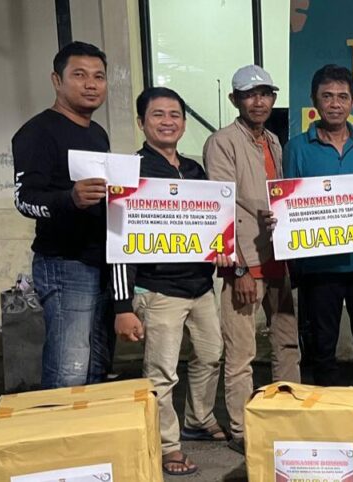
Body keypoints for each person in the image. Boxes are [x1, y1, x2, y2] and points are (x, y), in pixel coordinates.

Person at [111, 87, 233, 475]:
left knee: (210, 354)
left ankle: (198, 419)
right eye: (158, 115)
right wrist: (123, 305)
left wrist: (221, 248)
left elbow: (212, 225)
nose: (168, 122)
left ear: (183, 122)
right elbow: (118, 242)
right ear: (141, 122)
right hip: (158, 289)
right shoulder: (130, 173)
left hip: (200, 287)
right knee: (161, 373)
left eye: (175, 115)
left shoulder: (194, 171)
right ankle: (166, 446)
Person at [204, 65, 299, 455]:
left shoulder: (274, 140)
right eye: (249, 95)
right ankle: (243, 431)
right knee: (242, 354)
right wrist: (239, 268)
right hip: (245, 262)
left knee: (287, 344)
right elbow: (220, 207)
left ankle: (287, 418)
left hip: (279, 258)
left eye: (265, 94)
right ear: (235, 100)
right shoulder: (221, 142)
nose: (259, 102)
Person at [12, 41, 114, 389]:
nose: (91, 84)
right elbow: (25, 200)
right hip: (65, 264)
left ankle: (90, 424)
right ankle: (56, 421)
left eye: (99, 76)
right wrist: (69, 199)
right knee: (69, 368)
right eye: (79, 75)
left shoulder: (98, 134)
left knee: (97, 365)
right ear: (57, 80)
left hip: (101, 262)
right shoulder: (38, 132)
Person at [286, 64, 353, 388]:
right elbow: (286, 203)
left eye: (343, 96)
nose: (335, 104)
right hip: (318, 264)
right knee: (322, 344)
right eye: (327, 96)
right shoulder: (296, 148)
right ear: (314, 100)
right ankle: (325, 404)